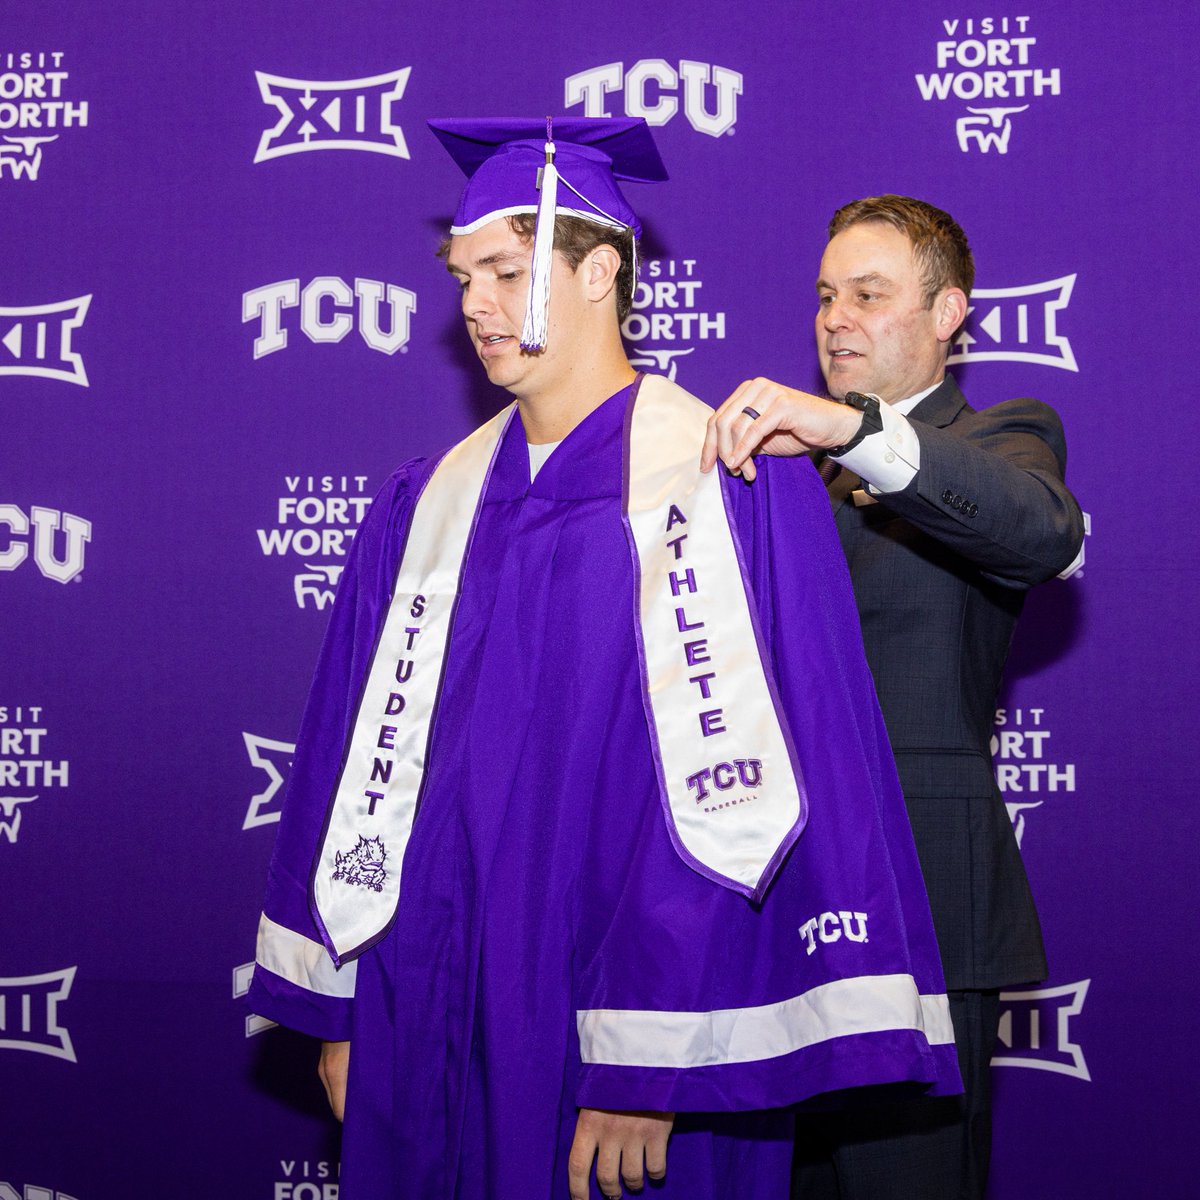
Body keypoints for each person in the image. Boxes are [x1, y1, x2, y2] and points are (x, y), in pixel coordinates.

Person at [248, 127, 960, 1200]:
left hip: (621, 1017)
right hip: (425, 990)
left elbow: (758, 793)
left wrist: (657, 1055)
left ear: (597, 271)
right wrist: (344, 1005)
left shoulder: (727, 483)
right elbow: (353, 768)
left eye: (503, 272)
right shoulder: (427, 501)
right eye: (462, 278)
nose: (476, 306)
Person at [702, 194, 1085, 1198]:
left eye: (869, 295)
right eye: (827, 296)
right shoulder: (780, 470)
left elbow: (1041, 531)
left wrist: (850, 429)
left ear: (949, 312)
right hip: (769, 910)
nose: (835, 319)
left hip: (920, 908)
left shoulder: (1003, 433)